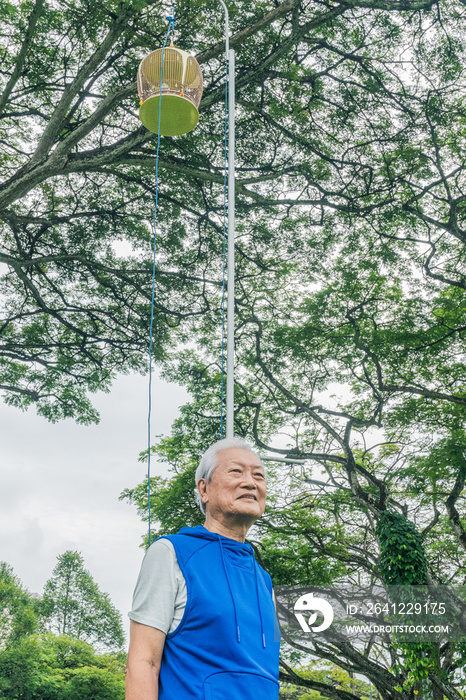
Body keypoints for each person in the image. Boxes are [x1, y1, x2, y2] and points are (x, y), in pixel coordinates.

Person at [125, 436, 280, 700]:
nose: (250, 482)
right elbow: (143, 663)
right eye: (236, 471)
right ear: (204, 489)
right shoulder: (172, 553)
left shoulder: (264, 581)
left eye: (259, 476)